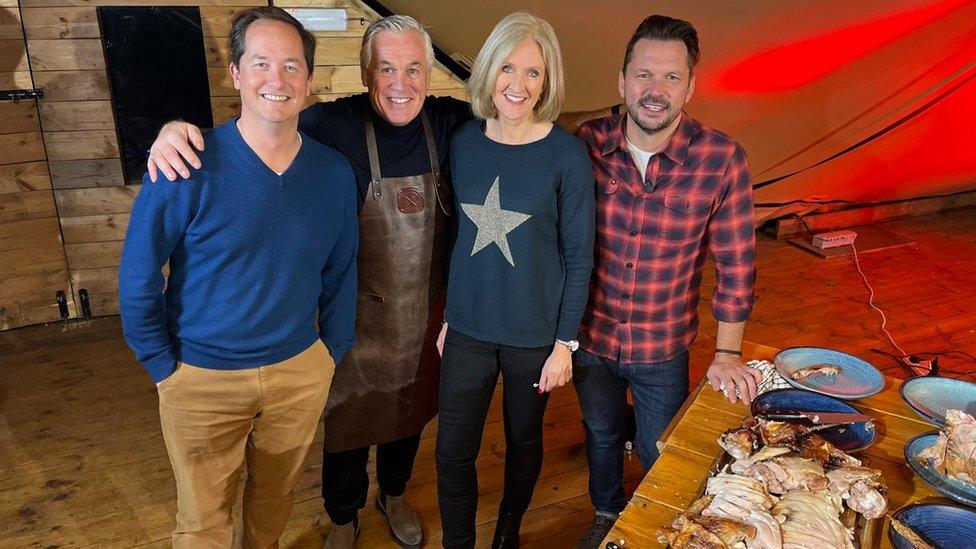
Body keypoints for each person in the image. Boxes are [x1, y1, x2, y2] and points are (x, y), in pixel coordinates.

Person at [147, 15, 466, 548]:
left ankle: (393, 494)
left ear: (430, 75)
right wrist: (176, 130)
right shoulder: (330, 125)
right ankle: (343, 516)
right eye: (386, 68)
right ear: (366, 73)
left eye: (413, 69)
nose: (400, 84)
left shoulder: (452, 125)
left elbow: (521, 119)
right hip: (353, 318)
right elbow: (259, 126)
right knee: (347, 425)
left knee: (409, 413)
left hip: (421, 317)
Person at [118, 7, 358, 548]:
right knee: (203, 523)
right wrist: (163, 366)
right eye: (261, 63)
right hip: (201, 377)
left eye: (292, 66)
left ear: (310, 79)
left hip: (299, 371)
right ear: (236, 74)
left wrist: (331, 352)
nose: (277, 80)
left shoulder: (333, 174)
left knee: (273, 506)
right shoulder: (187, 163)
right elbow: (137, 276)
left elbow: (342, 273)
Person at [570, 14, 761, 547]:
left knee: (660, 450)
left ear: (691, 86)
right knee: (603, 435)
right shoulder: (588, 142)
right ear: (622, 81)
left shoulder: (722, 159)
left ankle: (657, 525)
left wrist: (727, 353)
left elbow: (736, 265)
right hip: (590, 341)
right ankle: (607, 514)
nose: (655, 91)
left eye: (671, 78)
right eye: (643, 75)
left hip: (662, 347)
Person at [434, 12, 595, 549]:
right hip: (469, 330)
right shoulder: (464, 142)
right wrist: (451, 315)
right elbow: (457, 236)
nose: (518, 85)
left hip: (535, 338)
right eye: (508, 68)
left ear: (547, 82)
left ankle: (508, 531)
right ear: (488, 71)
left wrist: (564, 345)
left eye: (533, 73)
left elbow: (579, 255)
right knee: (452, 449)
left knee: (525, 442)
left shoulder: (567, 156)